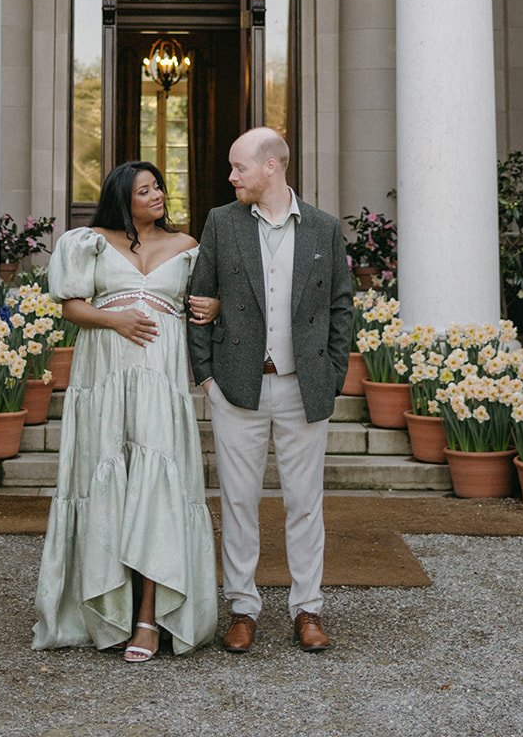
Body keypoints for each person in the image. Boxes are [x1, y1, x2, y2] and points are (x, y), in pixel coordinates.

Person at [32, 160, 219, 661]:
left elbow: (208, 299)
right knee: (108, 481)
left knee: (158, 488)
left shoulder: (187, 247)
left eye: (158, 186)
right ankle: (107, 604)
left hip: (160, 378)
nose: (157, 194)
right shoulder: (86, 241)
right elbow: (71, 306)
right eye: (145, 189)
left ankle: (149, 618)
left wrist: (214, 307)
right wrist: (115, 320)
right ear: (123, 197)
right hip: (105, 376)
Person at [187, 126, 353, 654]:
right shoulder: (221, 222)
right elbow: (199, 297)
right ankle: (242, 608)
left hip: (305, 388)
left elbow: (341, 309)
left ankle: (308, 609)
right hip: (238, 387)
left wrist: (330, 372)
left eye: (239, 168)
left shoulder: (325, 229)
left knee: (305, 503)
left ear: (271, 168)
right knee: (238, 500)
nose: (231, 176)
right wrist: (208, 377)